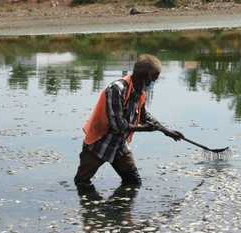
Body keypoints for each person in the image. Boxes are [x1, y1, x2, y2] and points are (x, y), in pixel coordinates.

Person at [74, 54, 183, 188]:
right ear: (144, 76)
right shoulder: (116, 89)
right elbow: (118, 125)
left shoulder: (140, 91)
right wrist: (144, 129)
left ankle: (120, 209)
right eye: (153, 79)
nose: (152, 83)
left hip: (119, 144)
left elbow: (144, 117)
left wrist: (166, 130)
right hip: (99, 143)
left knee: (133, 182)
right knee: (82, 182)